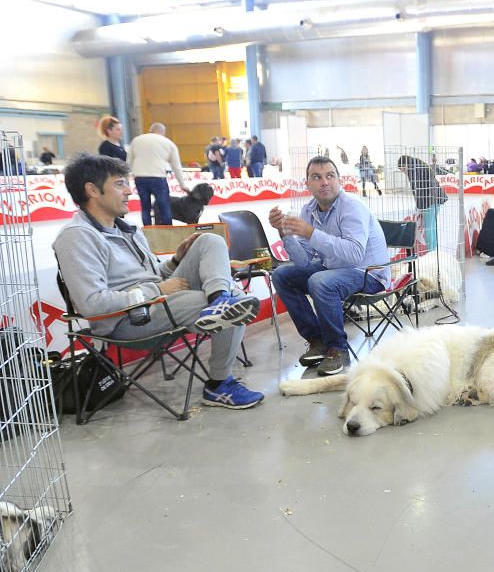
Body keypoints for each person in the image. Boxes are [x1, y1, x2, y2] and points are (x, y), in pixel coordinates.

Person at [53, 154, 264, 409]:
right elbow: (92, 304)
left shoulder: (126, 229)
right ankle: (219, 385)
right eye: (120, 184)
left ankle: (220, 299)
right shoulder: (76, 238)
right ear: (92, 190)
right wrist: (157, 289)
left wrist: (176, 261)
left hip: (159, 300)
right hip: (127, 319)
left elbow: (155, 276)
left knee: (209, 241)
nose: (129, 191)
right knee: (233, 302)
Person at [269, 156, 390, 376]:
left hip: (369, 274)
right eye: (317, 177)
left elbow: (354, 256)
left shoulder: (352, 207)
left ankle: (338, 349)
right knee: (281, 275)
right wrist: (283, 232)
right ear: (307, 183)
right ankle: (318, 340)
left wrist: (311, 233)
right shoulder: (309, 210)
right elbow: (304, 261)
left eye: (330, 176)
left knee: (320, 281)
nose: (324, 182)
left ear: (339, 180)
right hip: (334, 271)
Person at [127, 122, 189, 225]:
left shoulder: (136, 140)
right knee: (164, 207)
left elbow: (129, 161)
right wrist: (182, 184)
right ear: (163, 132)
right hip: (158, 178)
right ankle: (167, 231)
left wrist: (129, 178)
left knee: (145, 207)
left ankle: (148, 231)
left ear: (150, 130)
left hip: (140, 178)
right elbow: (176, 167)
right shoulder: (168, 143)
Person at [398, 155, 448, 251]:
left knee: (429, 227)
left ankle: (431, 251)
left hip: (429, 200)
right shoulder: (419, 165)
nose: (403, 172)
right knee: (432, 226)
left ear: (405, 165)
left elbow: (418, 190)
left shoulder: (414, 171)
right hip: (436, 198)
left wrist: (419, 206)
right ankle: (434, 250)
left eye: (402, 169)